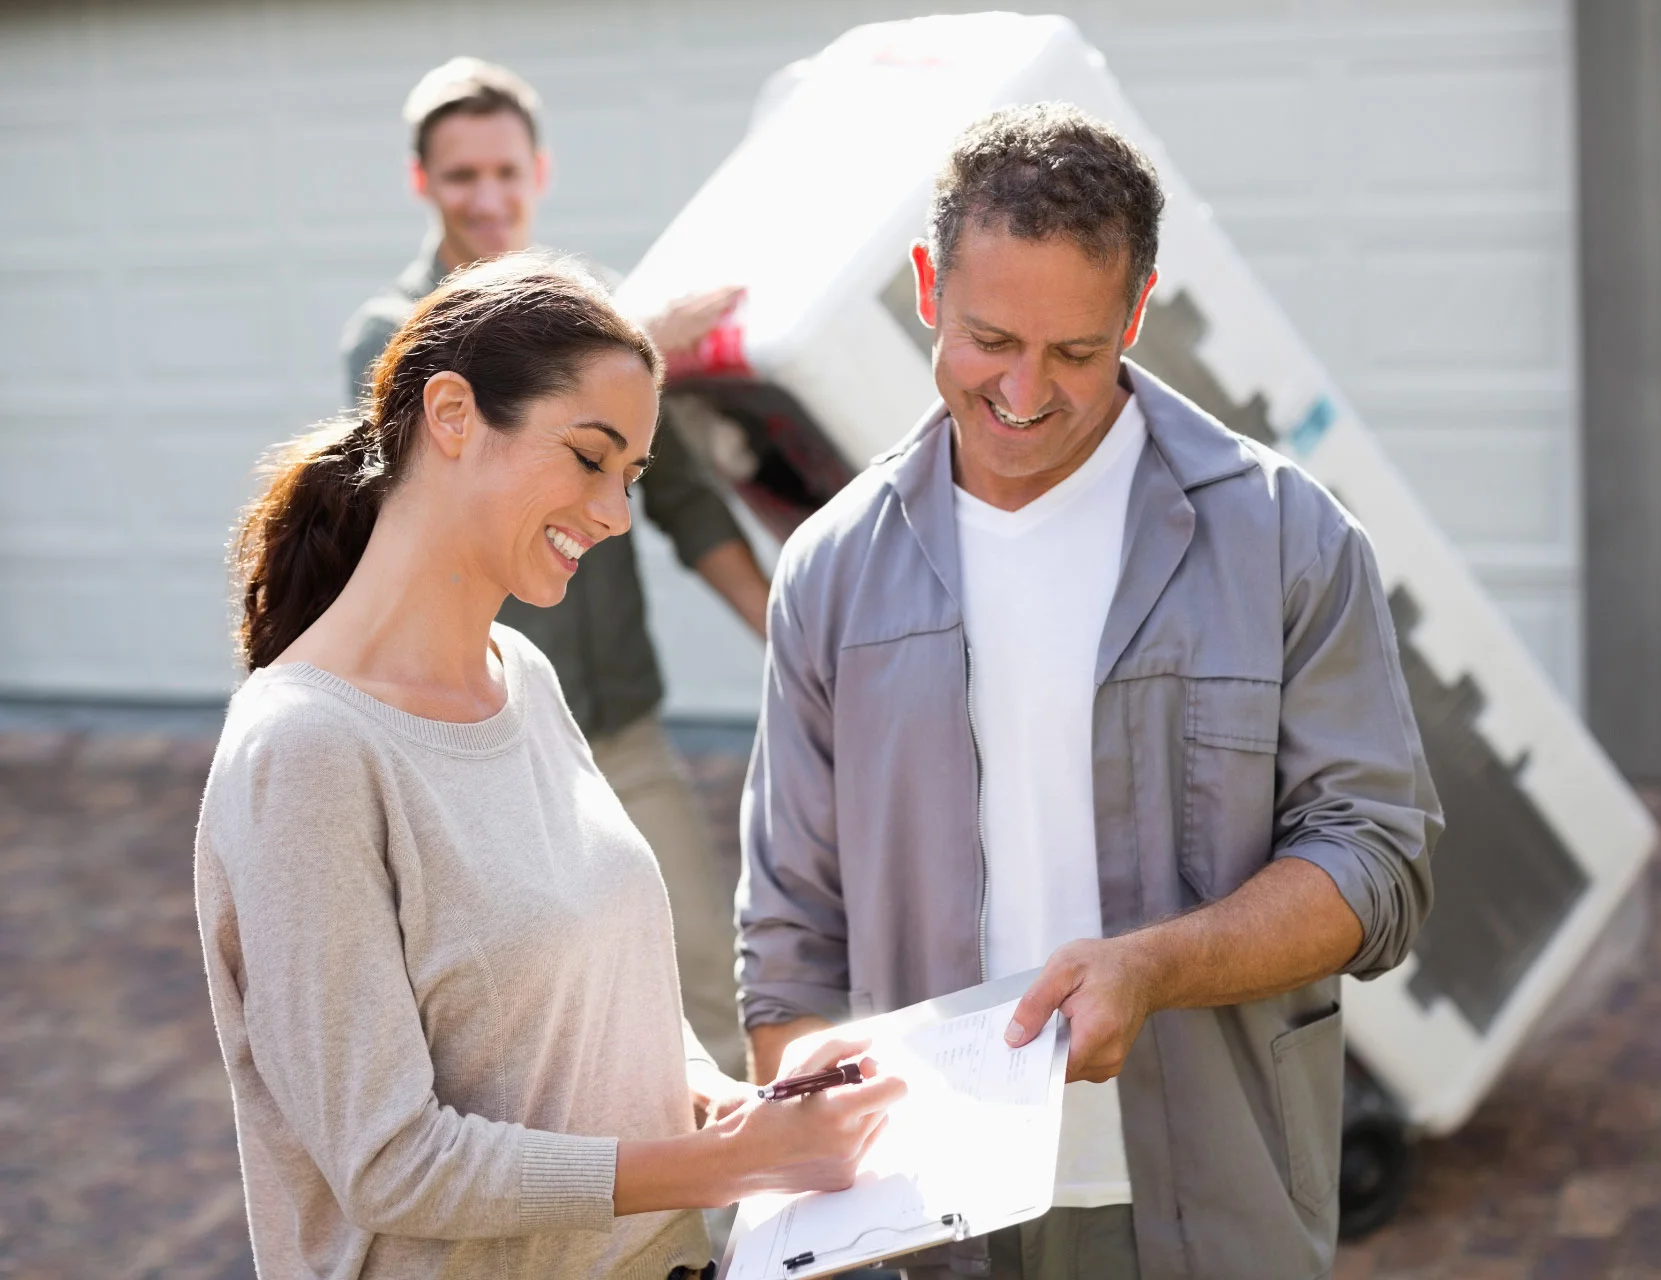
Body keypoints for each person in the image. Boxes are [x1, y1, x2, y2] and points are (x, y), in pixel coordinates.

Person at [737, 104, 1442, 1278]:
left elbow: (1380, 862)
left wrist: (1155, 965)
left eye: (1074, 351)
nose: (1023, 391)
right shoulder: (832, 568)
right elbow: (791, 930)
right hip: (930, 1216)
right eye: (989, 339)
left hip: (1211, 1199)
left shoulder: (1286, 536)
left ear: (1138, 309)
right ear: (926, 285)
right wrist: (823, 1182)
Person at [198, 254, 902, 1279]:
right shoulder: (305, 753)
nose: (615, 513)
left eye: (634, 476)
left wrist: (743, 1105)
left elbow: (601, 1030)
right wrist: (725, 1165)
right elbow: (392, 1163)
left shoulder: (519, 675)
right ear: (450, 413)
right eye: (588, 457)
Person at [342, 57, 762, 1076]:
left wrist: (790, 628)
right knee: (539, 1024)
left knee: (707, 973)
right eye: (459, 178)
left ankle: (751, 1228)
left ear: (540, 170)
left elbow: (686, 499)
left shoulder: (603, 307)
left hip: (618, 728)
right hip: (476, 754)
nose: (486, 200)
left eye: (504, 172)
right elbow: (434, 476)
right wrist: (631, 354)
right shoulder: (388, 337)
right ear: (421, 184)